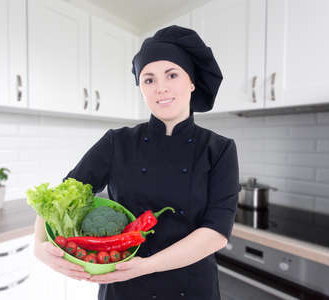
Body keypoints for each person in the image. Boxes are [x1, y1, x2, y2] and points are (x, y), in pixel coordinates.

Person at [33, 25, 240, 300]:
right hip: (122, 287)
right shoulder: (117, 142)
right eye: (149, 79)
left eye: (172, 74)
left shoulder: (220, 149)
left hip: (190, 287)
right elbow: (62, 194)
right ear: (141, 88)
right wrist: (38, 245)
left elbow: (216, 232)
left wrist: (146, 266)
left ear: (192, 82)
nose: (161, 88)